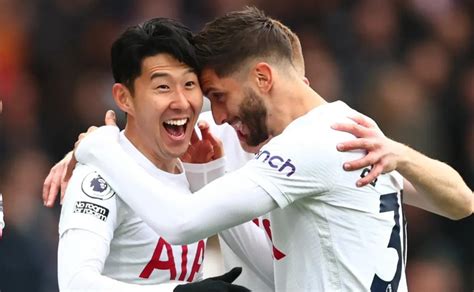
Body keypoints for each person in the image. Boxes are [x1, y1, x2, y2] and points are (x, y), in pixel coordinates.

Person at [72, 7, 472, 291]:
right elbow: (463, 202)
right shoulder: (353, 130)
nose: (221, 115)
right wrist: (400, 155)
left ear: (262, 77)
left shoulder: (306, 148)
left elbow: (180, 223)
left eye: (220, 96)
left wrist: (101, 149)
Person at [56, 17, 249, 291]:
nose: (181, 102)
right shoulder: (99, 177)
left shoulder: (202, 157)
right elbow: (75, 283)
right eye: (163, 87)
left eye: (189, 84)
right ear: (124, 99)